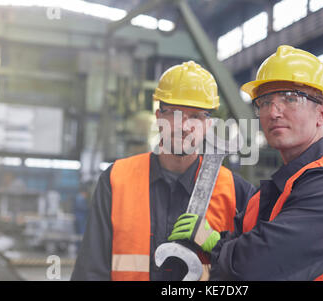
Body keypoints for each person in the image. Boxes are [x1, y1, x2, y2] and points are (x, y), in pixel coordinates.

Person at [168, 45, 323, 280]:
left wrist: (215, 246)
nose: (274, 112)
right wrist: (215, 240)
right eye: (265, 101)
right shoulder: (266, 195)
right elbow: (244, 249)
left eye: (291, 98)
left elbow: (255, 266)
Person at [71, 61, 256, 281]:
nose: (184, 126)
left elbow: (255, 269)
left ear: (208, 125)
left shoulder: (236, 191)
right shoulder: (116, 180)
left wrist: (219, 246)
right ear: (159, 118)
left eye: (196, 116)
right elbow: (91, 271)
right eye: (175, 113)